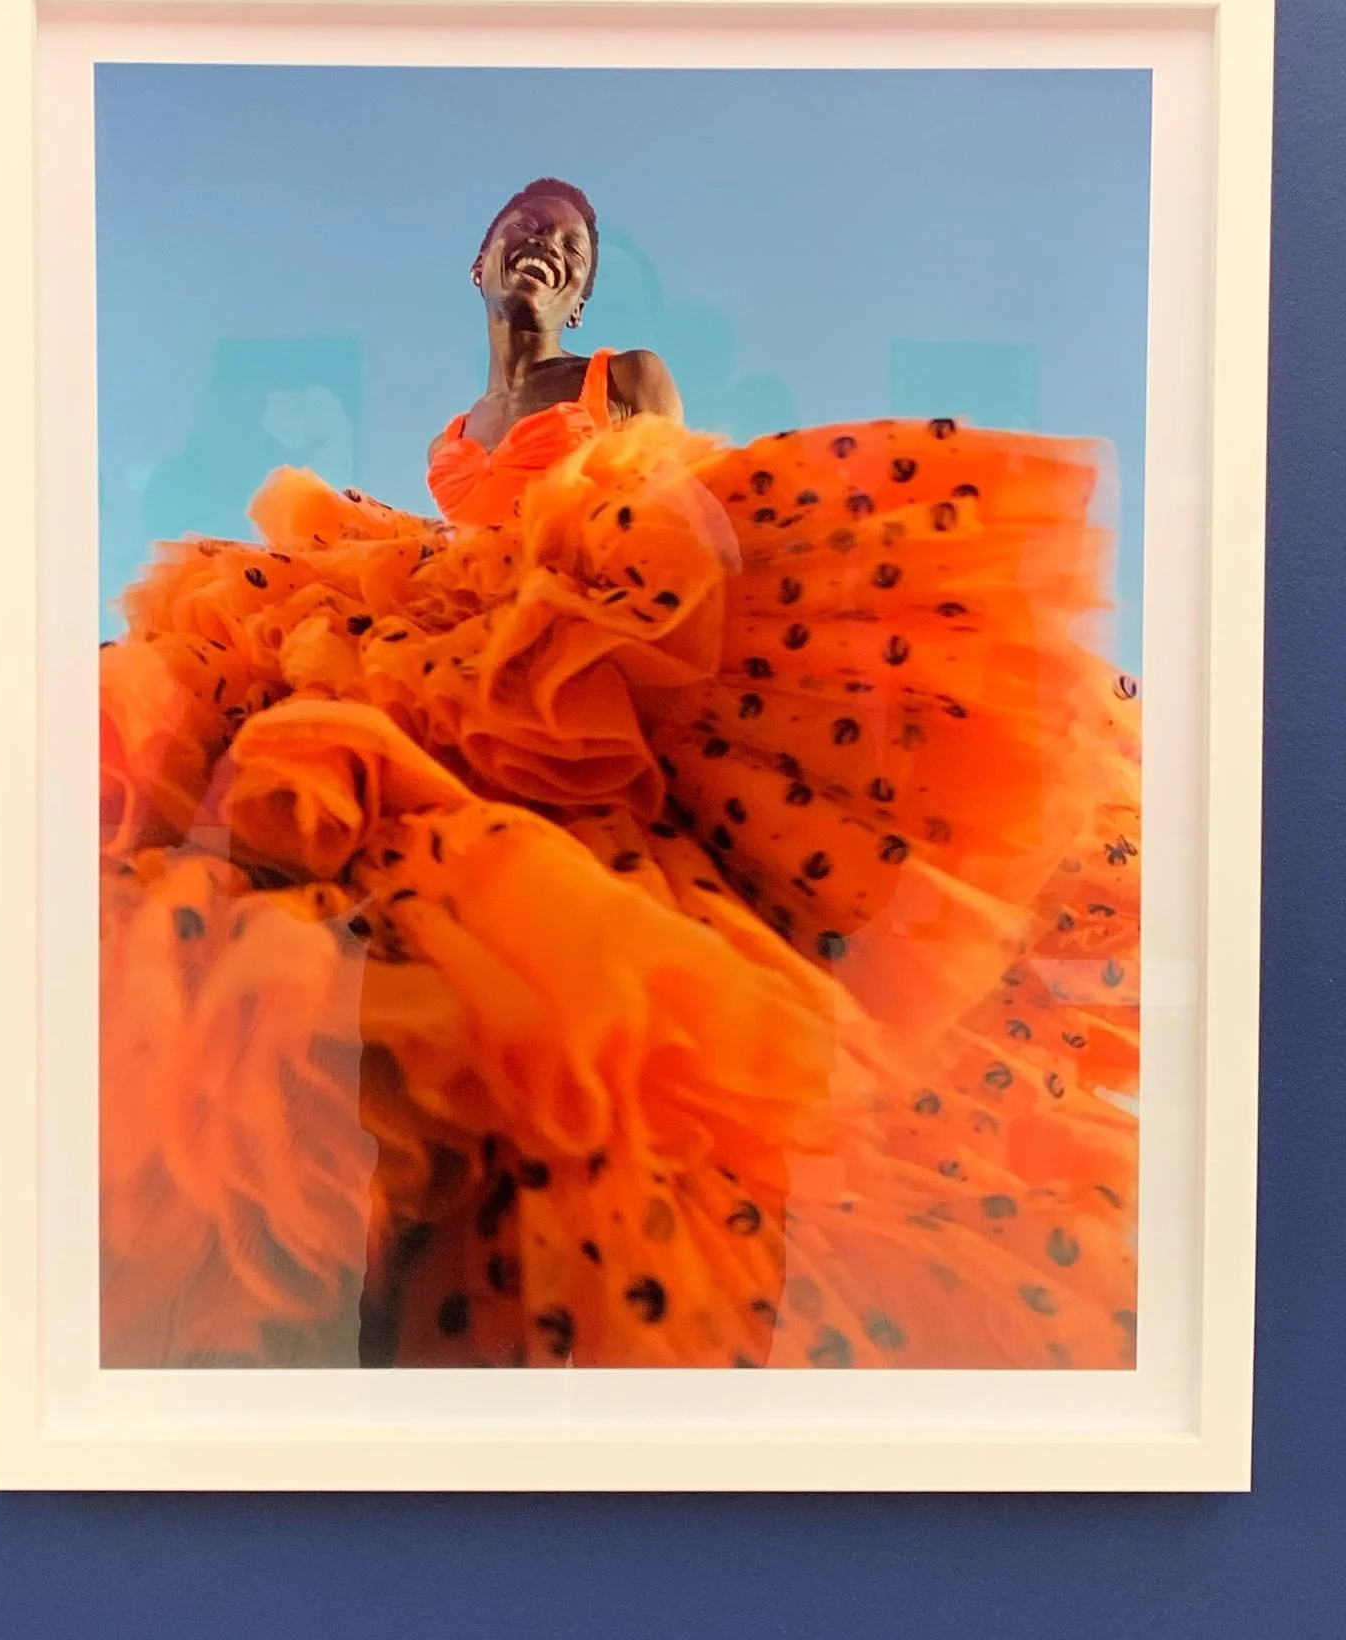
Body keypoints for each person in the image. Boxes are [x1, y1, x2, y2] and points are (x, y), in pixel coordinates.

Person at [99, 177, 1141, 1372]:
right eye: (523, 231)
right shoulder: (450, 440)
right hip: (461, 634)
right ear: (481, 265)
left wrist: (583, 596)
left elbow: (680, 495)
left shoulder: (623, 375)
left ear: (584, 292)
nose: (543, 246)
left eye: (569, 245)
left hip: (594, 633)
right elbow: (473, 536)